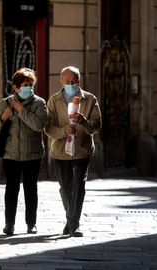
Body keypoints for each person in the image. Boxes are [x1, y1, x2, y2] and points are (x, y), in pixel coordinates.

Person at [0, 68, 47, 235]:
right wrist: (3, 117)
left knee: (31, 188)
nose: (28, 88)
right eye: (24, 85)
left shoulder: (39, 103)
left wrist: (21, 110)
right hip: (10, 153)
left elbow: (38, 125)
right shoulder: (4, 103)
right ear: (15, 87)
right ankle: (9, 223)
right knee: (11, 188)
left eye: (30, 85)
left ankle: (31, 223)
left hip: (33, 154)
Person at [45, 66, 102, 237]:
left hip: (82, 150)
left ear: (79, 81)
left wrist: (84, 122)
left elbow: (96, 126)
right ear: (61, 81)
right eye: (68, 81)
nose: (71, 84)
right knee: (65, 187)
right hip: (60, 151)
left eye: (74, 81)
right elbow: (49, 128)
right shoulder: (54, 101)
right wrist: (64, 131)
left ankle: (73, 225)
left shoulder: (89, 99)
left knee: (79, 185)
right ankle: (71, 220)